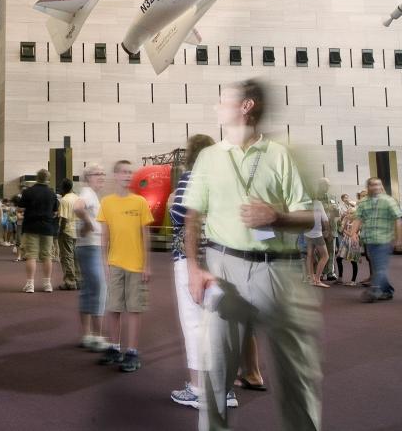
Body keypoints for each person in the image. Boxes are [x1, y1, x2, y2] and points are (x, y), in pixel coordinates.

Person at [185, 79, 320, 431]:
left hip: (279, 272)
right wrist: (194, 268)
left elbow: (310, 216)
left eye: (223, 101)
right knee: (216, 375)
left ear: (246, 106)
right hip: (224, 269)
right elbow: (193, 217)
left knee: (297, 375)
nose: (217, 107)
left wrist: (279, 217)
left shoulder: (279, 155)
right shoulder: (209, 157)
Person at [168, 135, 239, 410]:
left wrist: (191, 265)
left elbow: (183, 218)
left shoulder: (192, 178)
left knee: (195, 323)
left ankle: (199, 390)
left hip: (193, 260)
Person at [96, 160, 153, 373]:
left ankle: (132, 351)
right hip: (115, 263)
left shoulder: (140, 202)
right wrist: (105, 262)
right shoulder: (107, 203)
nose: (128, 175)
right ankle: (114, 347)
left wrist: (147, 264)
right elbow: (105, 236)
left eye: (131, 172)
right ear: (116, 175)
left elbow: (145, 235)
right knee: (113, 307)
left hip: (137, 265)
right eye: (124, 172)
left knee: (135, 308)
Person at [74, 165, 107, 351]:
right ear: (87, 178)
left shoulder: (92, 194)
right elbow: (77, 207)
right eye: (97, 174)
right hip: (91, 247)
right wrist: (89, 223)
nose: (101, 177)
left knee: (88, 289)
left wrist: (87, 224)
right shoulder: (87, 193)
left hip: (88, 247)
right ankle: (97, 336)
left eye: (103, 174)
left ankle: (87, 335)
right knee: (99, 289)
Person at [354, 176, 402, 303]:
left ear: (381, 187)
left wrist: (398, 238)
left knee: (380, 267)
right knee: (377, 267)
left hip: (384, 240)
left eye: (378, 184)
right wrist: (353, 233)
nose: (375, 187)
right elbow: (358, 219)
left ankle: (374, 290)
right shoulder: (363, 202)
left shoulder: (389, 201)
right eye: (372, 185)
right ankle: (387, 291)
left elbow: (398, 219)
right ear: (368, 187)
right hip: (369, 240)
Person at [15, 169, 58, 293]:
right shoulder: (52, 193)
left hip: (31, 227)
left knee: (31, 256)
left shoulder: (28, 192)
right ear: (48, 179)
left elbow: (20, 208)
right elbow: (55, 212)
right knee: (47, 256)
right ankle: (47, 284)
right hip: (47, 228)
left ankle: (30, 284)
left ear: (37, 178)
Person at [303, 179, 331, 288]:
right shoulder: (318, 203)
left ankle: (311, 278)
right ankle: (317, 280)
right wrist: (328, 231)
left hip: (307, 233)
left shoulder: (304, 204)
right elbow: (325, 219)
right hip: (317, 234)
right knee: (325, 256)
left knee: (309, 255)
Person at [56, 178, 80, 290]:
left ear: (63, 188)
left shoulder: (64, 200)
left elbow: (64, 219)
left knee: (67, 257)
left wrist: (60, 231)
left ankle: (70, 281)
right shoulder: (77, 198)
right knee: (76, 256)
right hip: (78, 230)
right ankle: (79, 280)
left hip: (68, 231)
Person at [335, 205, 362, 286]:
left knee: (353, 261)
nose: (348, 214)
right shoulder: (347, 220)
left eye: (351, 213)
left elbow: (351, 234)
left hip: (353, 242)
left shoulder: (357, 222)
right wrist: (343, 223)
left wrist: (344, 230)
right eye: (348, 213)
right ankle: (340, 278)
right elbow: (340, 231)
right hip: (346, 241)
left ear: (355, 214)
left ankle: (353, 281)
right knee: (339, 259)